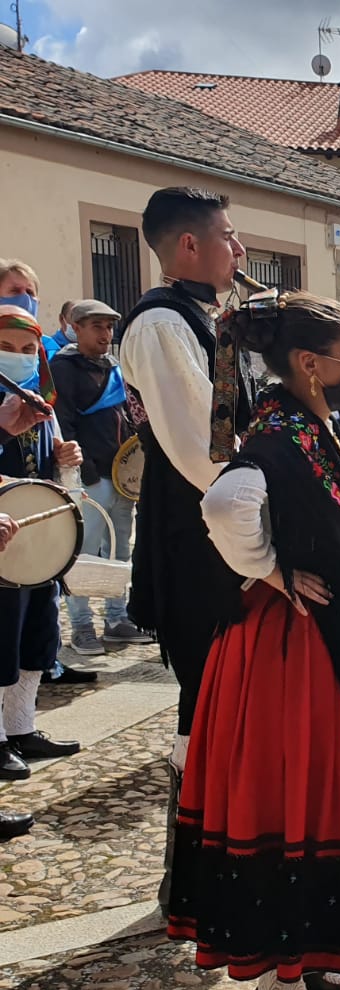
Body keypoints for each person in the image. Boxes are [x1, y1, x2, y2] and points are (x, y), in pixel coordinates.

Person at [168, 289, 340, 990]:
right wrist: (272, 570)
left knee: (330, 797)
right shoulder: (277, 436)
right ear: (311, 364)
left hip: (320, 638)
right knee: (302, 804)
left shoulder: (306, 421)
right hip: (290, 651)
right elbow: (225, 504)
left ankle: (309, 964)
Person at [118, 188, 247, 911]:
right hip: (197, 542)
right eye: (229, 237)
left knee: (225, 704)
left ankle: (216, 871)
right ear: (188, 245)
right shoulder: (162, 324)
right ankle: (191, 881)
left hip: (221, 535)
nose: (240, 251)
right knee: (206, 704)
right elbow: (207, 449)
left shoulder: (209, 316)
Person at [0, 305, 85, 788]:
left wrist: (63, 458)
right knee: (1, 638)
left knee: (37, 635)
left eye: (29, 349)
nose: (19, 357)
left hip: (38, 536)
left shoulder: (41, 401)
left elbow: (47, 469)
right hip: (3, 540)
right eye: (7, 348)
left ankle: (21, 727)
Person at [51, 300, 148, 655]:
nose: (106, 334)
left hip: (121, 477)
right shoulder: (62, 368)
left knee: (120, 550)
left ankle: (117, 619)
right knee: (84, 551)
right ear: (76, 328)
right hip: (90, 478)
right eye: (97, 327)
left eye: (109, 327)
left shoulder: (114, 368)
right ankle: (81, 627)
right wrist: (85, 472)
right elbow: (62, 422)